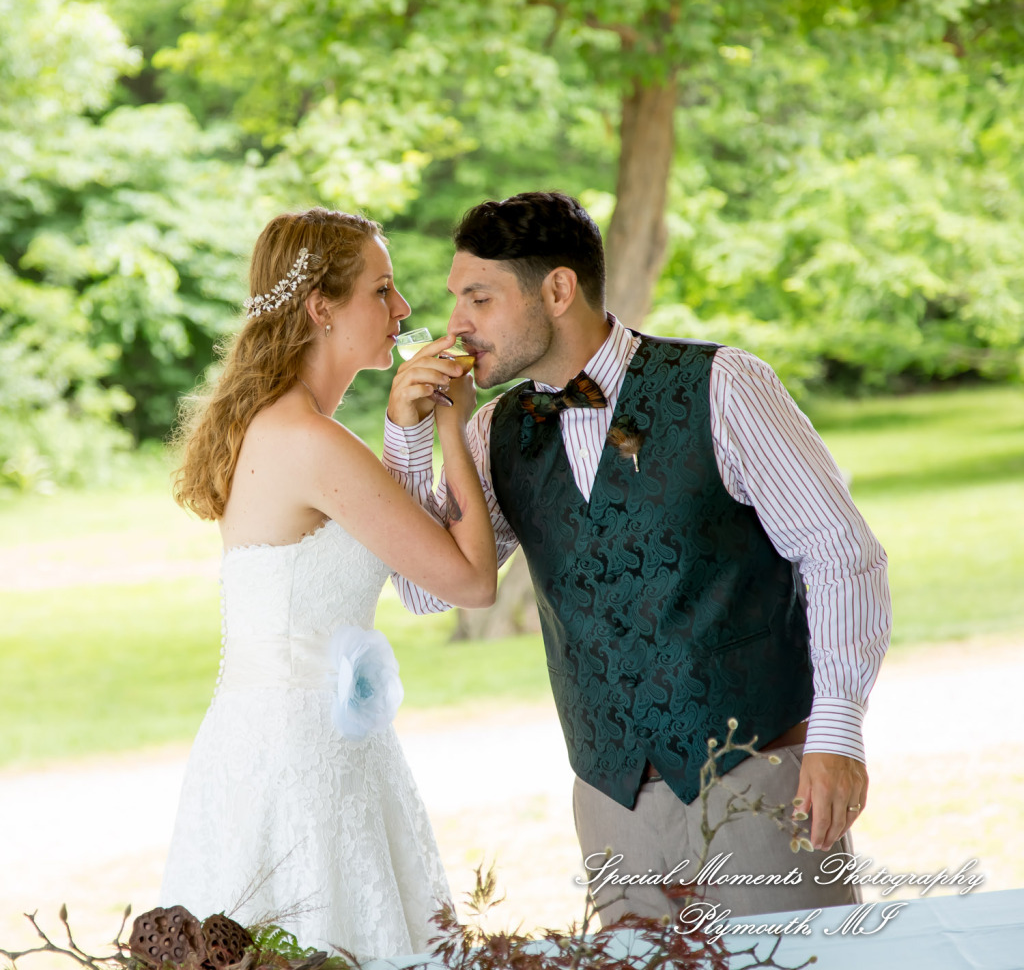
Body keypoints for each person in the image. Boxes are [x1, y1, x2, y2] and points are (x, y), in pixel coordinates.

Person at [384, 191, 892, 923]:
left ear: (558, 289)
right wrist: (409, 438)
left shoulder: (725, 386)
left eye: (479, 297)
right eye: (456, 297)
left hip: (758, 775)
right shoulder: (495, 430)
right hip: (609, 800)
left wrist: (839, 731)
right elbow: (430, 590)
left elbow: (841, 554)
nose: (458, 322)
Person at [162, 207, 496, 958]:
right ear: (321, 307)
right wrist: (454, 423)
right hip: (304, 765)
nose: (404, 310)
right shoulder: (311, 442)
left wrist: (404, 426)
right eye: (382, 290)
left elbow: (412, 573)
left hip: (271, 743)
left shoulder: (280, 427)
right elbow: (469, 581)